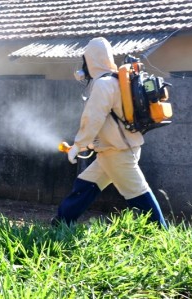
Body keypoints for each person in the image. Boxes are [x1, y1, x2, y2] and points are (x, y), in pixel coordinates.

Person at [51, 37, 167, 229]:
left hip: (117, 152)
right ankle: (62, 222)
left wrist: (79, 144)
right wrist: (89, 144)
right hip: (117, 148)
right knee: (86, 184)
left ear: (91, 60)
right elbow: (111, 121)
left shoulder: (103, 84)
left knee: (138, 193)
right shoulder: (118, 80)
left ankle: (163, 235)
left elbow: (93, 118)